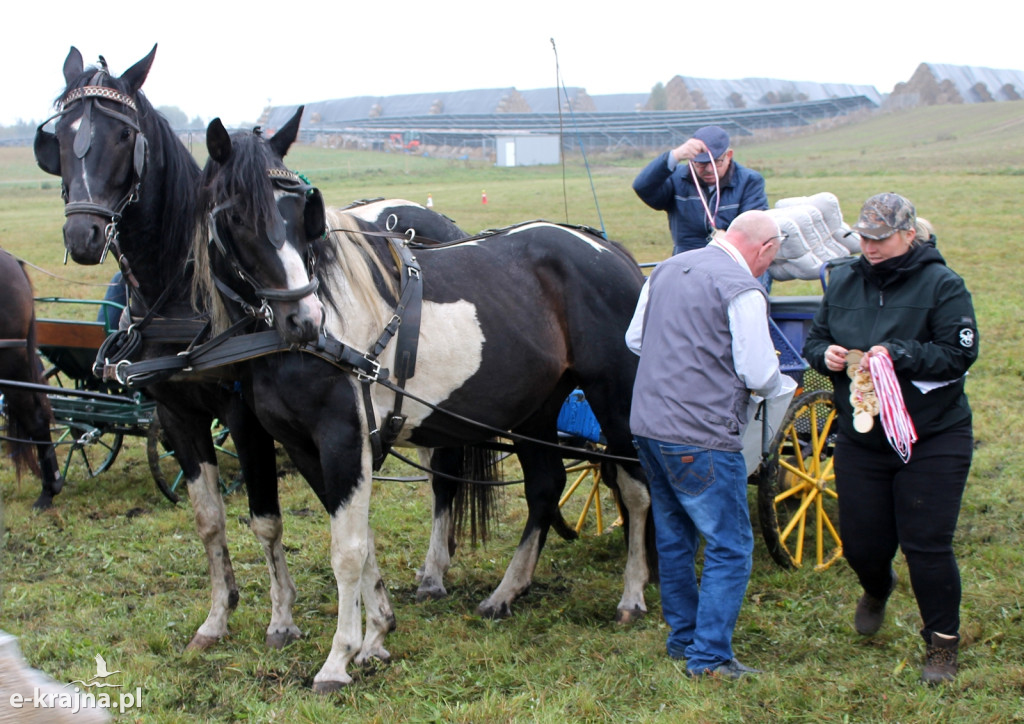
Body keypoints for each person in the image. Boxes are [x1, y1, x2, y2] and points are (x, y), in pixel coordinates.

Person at [802, 193, 978, 685]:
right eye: (864, 237)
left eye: (880, 238)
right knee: (861, 543)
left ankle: (942, 644)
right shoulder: (844, 282)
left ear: (906, 234)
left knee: (927, 544)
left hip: (931, 435)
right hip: (862, 436)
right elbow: (814, 339)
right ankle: (876, 585)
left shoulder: (943, 285)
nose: (870, 246)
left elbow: (958, 354)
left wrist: (898, 354)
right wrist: (827, 356)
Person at [627, 209, 784, 678]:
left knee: (675, 537)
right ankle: (711, 656)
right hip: (701, 435)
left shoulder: (668, 268)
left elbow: (636, 338)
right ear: (765, 249)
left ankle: (683, 639)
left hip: (649, 425)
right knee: (730, 544)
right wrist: (777, 387)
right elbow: (758, 373)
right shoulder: (742, 288)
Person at [632, 125, 768, 257]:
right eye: (701, 163)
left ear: (729, 155)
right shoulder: (677, 180)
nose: (709, 169)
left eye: (716, 162)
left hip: (732, 259)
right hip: (687, 261)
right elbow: (642, 187)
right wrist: (674, 156)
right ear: (691, 160)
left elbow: (754, 230)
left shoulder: (749, 181)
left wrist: (728, 240)